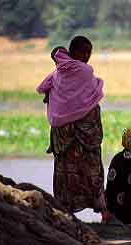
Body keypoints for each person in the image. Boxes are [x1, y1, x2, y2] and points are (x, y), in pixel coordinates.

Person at [36, 36, 107, 219]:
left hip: (63, 133)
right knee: (89, 170)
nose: (85, 56)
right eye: (82, 51)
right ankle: (101, 210)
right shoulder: (85, 70)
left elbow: (45, 87)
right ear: (71, 52)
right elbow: (92, 90)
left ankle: (67, 211)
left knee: (68, 172)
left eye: (88, 52)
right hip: (81, 135)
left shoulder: (58, 72)